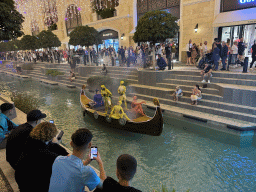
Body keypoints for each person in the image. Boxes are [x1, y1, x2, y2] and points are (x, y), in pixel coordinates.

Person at [15, 122, 69, 192]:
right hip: (31, 185)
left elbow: (51, 145)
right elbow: (53, 157)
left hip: (21, 177)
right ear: (51, 136)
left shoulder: (31, 140)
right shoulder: (43, 153)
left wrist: (65, 153)